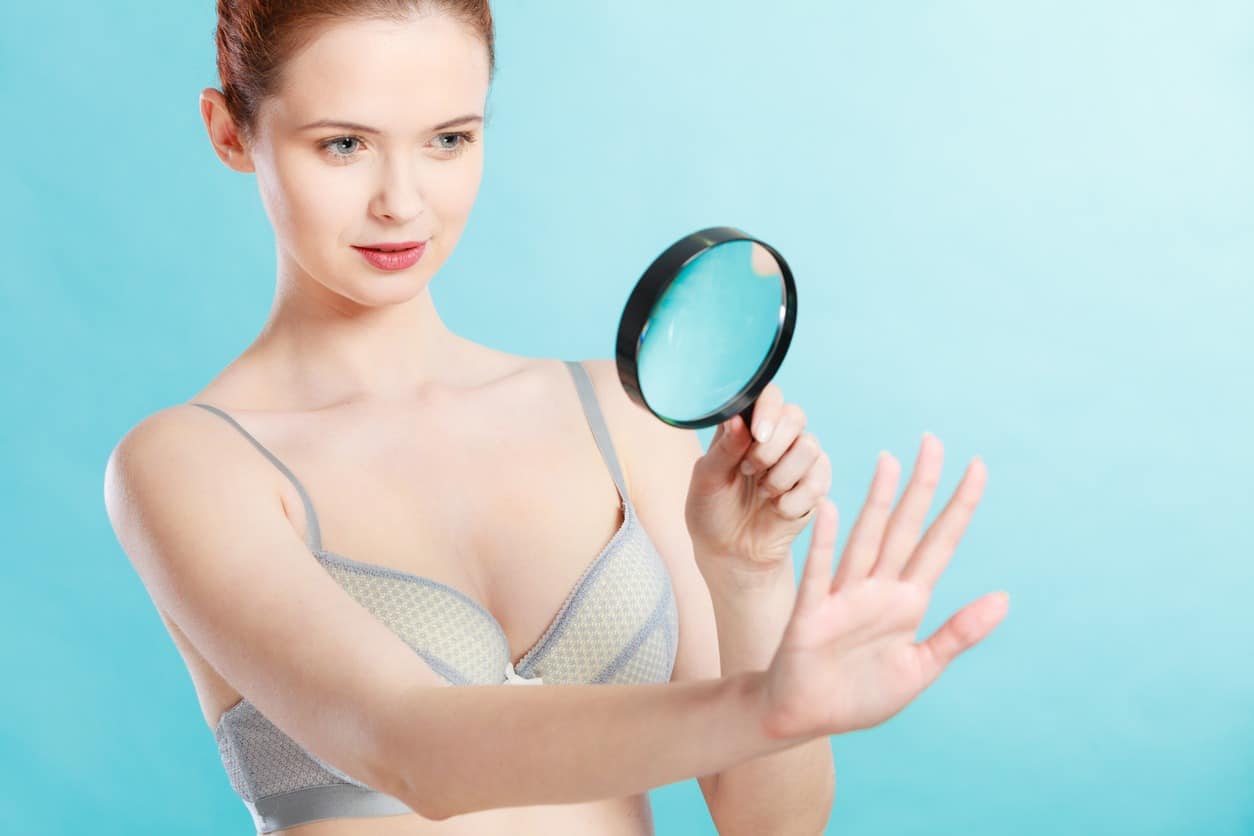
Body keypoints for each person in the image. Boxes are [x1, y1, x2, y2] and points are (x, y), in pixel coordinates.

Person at [102, 2, 1010, 833]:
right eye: (344, 145)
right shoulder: (186, 465)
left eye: (449, 139)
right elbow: (412, 748)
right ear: (231, 131)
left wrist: (749, 579)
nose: (403, 201)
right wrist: (768, 705)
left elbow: (771, 823)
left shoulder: (620, 415)